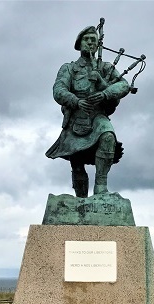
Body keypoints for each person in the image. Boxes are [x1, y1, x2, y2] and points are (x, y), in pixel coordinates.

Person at [46, 25, 131, 197]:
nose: (90, 43)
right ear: (79, 43)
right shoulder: (68, 68)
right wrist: (76, 101)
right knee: (76, 161)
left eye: (94, 40)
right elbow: (58, 90)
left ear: (98, 45)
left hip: (98, 117)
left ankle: (101, 188)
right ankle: (81, 200)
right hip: (76, 120)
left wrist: (104, 90)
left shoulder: (105, 68)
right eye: (87, 39)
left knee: (108, 136)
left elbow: (124, 85)